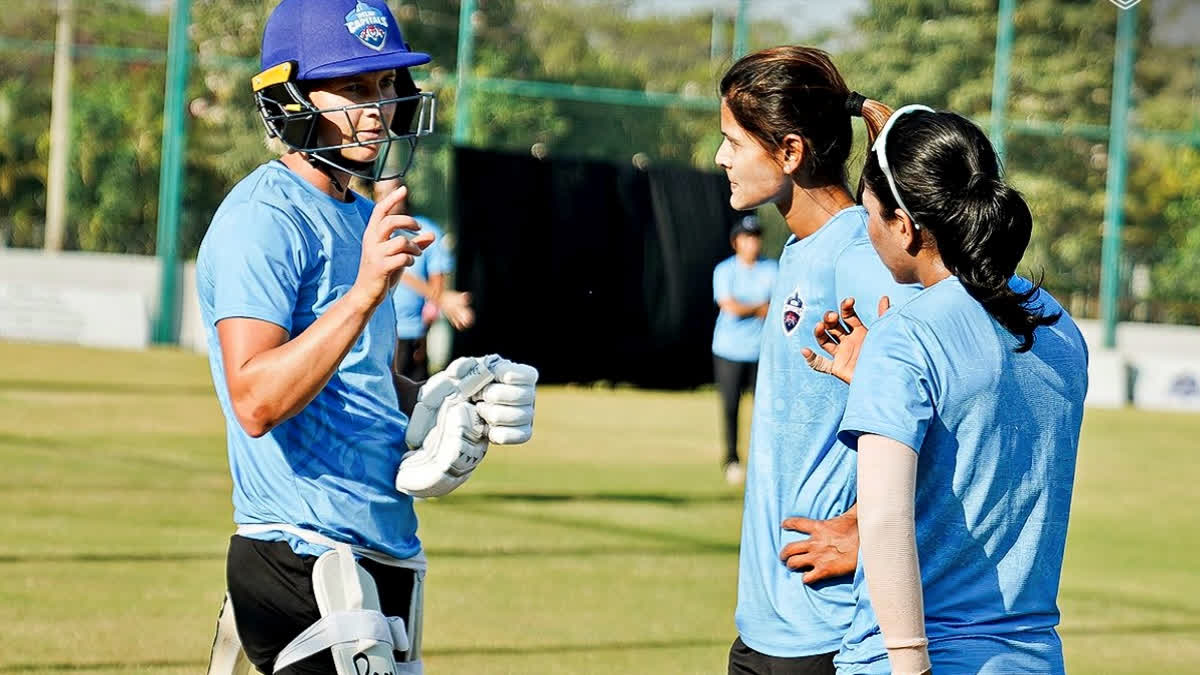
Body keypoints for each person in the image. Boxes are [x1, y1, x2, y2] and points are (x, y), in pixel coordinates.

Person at [196, 2, 537, 674]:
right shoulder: (260, 220)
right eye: (353, 87)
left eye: (384, 85)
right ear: (290, 98)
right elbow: (255, 398)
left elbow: (358, 376)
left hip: (379, 547)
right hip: (303, 554)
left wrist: (441, 399)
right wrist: (363, 294)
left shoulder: (356, 212)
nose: (377, 108)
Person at [801, 107, 1087, 674]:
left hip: (914, 661)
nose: (867, 230)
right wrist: (880, 390)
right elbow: (984, 431)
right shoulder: (1059, 325)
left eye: (869, 214)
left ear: (904, 227)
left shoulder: (905, 339)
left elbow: (884, 526)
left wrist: (909, 666)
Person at [713, 46, 917, 674]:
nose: (721, 157)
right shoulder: (801, 251)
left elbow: (943, 403)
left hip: (826, 630)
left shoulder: (858, 253)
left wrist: (862, 526)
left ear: (790, 152)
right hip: (765, 623)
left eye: (733, 141)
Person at [373, 180, 475, 381]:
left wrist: (438, 303)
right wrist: (445, 300)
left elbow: (438, 281)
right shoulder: (369, 231)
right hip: (378, 333)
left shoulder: (426, 230)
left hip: (414, 334)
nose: (386, 199)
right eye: (379, 193)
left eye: (392, 192)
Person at [711, 214, 777, 485]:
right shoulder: (725, 270)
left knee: (766, 408)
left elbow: (779, 307)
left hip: (762, 353)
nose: (752, 243)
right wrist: (759, 307)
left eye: (756, 237)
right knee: (730, 407)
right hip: (729, 351)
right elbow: (730, 306)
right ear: (735, 242)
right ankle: (731, 459)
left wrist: (757, 308)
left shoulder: (772, 269)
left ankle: (766, 460)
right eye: (747, 237)